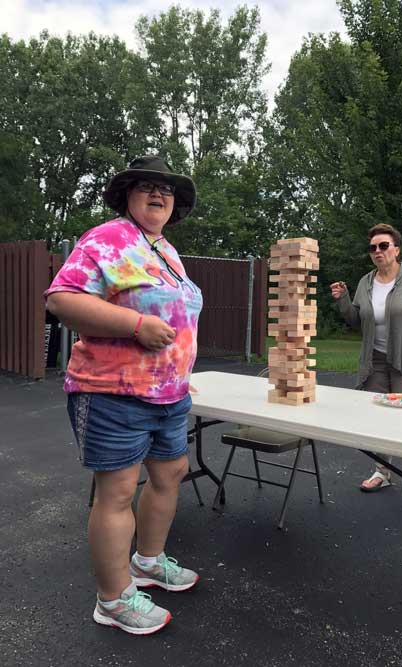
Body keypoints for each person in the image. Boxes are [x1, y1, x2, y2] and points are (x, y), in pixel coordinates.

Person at [46, 156, 203, 634]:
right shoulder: (107, 238)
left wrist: (175, 369)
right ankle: (112, 600)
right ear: (127, 196)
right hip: (113, 391)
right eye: (147, 187)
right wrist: (135, 325)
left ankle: (149, 561)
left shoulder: (165, 251)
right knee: (115, 494)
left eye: (167, 190)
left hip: (168, 394)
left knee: (171, 472)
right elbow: (62, 299)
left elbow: (176, 317)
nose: (158, 195)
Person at [330, 223, 402, 493]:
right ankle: (382, 472)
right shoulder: (366, 282)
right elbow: (356, 321)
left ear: (396, 249)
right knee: (380, 420)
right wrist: (344, 300)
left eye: (384, 245)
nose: (378, 251)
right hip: (375, 360)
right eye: (373, 247)